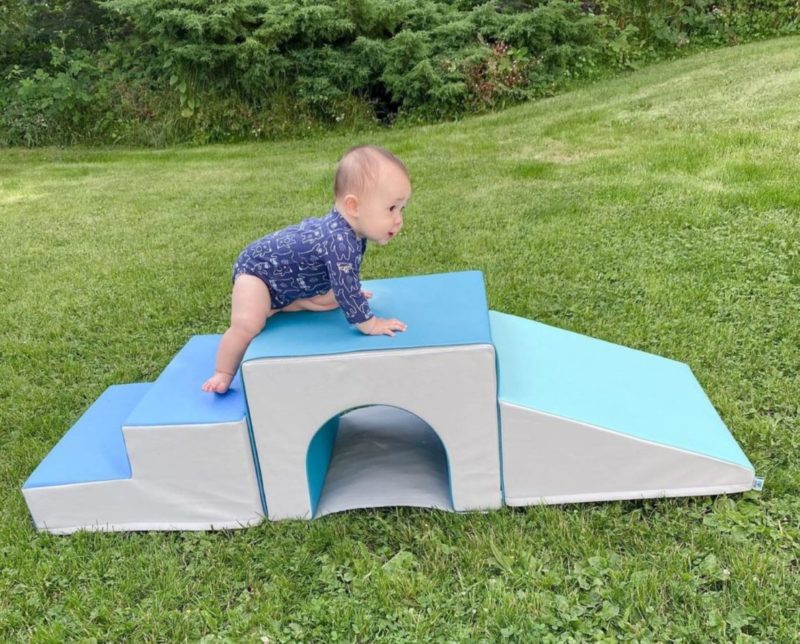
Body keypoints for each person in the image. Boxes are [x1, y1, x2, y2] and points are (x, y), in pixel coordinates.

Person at [202, 145, 410, 394]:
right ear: (353, 207)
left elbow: (345, 278)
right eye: (391, 208)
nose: (398, 219)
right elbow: (345, 288)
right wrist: (371, 323)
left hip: (285, 280)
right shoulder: (339, 240)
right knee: (248, 324)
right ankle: (223, 372)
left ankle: (285, 304)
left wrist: (349, 290)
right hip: (257, 274)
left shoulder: (353, 231)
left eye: (401, 209)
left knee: (333, 299)